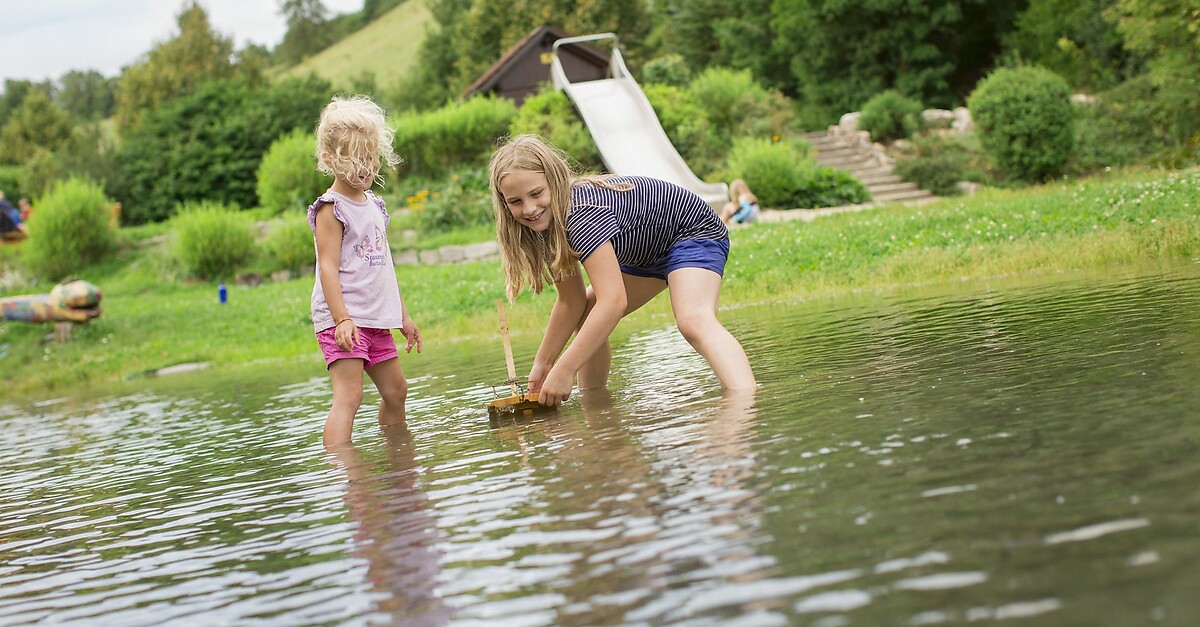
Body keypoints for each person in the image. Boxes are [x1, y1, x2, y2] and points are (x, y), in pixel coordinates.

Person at [488, 134, 755, 406]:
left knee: (693, 320)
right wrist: (544, 365)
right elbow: (572, 301)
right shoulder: (544, 228)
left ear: (555, 182)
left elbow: (614, 301)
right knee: (588, 312)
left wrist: (565, 369)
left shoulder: (581, 213)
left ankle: (746, 403)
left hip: (691, 233)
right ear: (504, 203)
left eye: (536, 193)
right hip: (647, 251)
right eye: (516, 201)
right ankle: (596, 408)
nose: (530, 208)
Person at [308, 95, 422, 449]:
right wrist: (342, 319)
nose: (365, 168)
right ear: (329, 159)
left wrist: (402, 316)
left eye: (371, 159)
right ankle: (344, 472)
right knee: (350, 396)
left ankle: (396, 458)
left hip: (374, 318)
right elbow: (327, 267)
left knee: (397, 391)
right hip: (343, 320)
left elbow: (384, 268)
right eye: (354, 160)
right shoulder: (332, 208)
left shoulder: (374, 205)